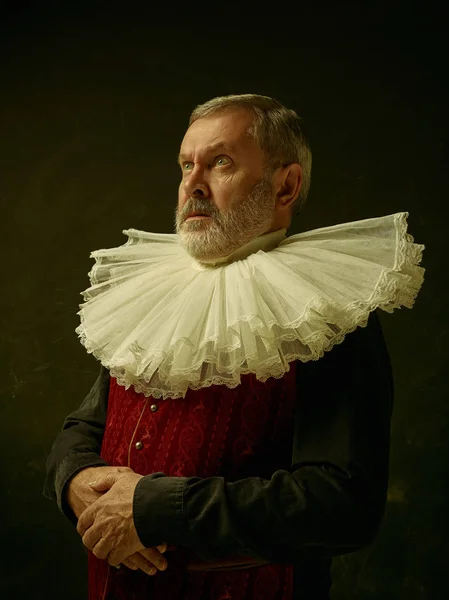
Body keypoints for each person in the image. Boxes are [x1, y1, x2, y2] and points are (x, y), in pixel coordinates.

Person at [44, 94, 425, 600]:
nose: (193, 186)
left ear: (285, 185)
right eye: (186, 165)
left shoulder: (327, 313)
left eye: (219, 162)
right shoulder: (153, 296)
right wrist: (74, 480)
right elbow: (84, 429)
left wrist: (153, 506)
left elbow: (342, 505)